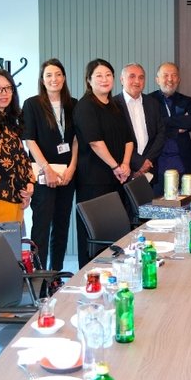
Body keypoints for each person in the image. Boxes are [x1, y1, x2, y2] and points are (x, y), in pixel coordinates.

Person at [74, 59, 134, 267]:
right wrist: (116, 166)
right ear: (89, 80)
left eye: (108, 75)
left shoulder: (116, 105)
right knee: (94, 231)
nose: (104, 79)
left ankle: (113, 271)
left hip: (117, 178)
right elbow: (95, 142)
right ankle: (89, 274)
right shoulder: (85, 106)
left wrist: (125, 164)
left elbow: (129, 139)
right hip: (94, 179)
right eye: (98, 75)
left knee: (114, 230)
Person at [23, 59, 78, 272]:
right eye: (49, 75)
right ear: (42, 79)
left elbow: (76, 139)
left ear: (64, 78)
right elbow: (30, 140)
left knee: (62, 227)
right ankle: (39, 278)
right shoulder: (32, 104)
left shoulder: (73, 104)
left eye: (58, 74)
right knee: (41, 228)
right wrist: (47, 169)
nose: (54, 79)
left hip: (67, 175)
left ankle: (55, 274)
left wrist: (72, 168)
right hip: (43, 175)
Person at [0, 69, 35, 225]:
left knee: (15, 239)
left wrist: (30, 182)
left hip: (16, 193)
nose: (4, 93)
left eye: (8, 88)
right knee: (3, 240)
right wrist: (24, 188)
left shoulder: (8, 120)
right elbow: (2, 160)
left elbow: (22, 155)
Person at [113, 63, 166, 183]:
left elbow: (161, 134)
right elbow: (116, 140)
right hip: (123, 171)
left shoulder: (153, 103)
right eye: (132, 76)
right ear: (122, 79)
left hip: (149, 168)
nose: (137, 81)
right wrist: (139, 163)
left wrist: (147, 161)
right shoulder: (112, 105)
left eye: (141, 77)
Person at [149, 62, 191, 184]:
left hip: (183, 162)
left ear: (179, 79)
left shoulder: (187, 100)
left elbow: (189, 123)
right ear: (157, 80)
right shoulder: (149, 101)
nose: (170, 79)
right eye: (165, 75)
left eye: (174, 75)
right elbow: (151, 127)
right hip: (158, 162)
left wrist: (162, 121)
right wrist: (176, 128)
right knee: (158, 196)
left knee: (186, 195)